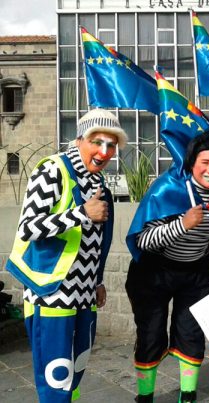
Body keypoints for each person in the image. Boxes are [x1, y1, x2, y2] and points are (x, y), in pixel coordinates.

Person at [5, 108, 127, 403]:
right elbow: (28, 228)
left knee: (76, 368)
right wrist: (81, 213)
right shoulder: (53, 169)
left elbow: (96, 240)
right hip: (51, 292)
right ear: (79, 139)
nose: (104, 152)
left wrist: (97, 281)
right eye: (97, 142)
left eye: (111, 145)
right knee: (56, 375)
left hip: (84, 292)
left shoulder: (98, 181)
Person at [125, 130, 209, 403]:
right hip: (154, 272)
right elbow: (143, 240)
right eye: (205, 162)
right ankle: (145, 397)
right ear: (192, 163)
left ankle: (188, 396)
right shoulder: (167, 188)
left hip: (194, 274)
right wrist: (182, 224)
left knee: (192, 335)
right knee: (150, 334)